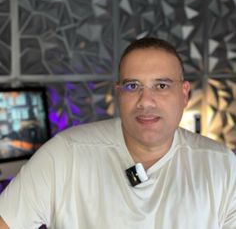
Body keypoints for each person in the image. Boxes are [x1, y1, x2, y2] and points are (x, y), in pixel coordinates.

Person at [0, 37, 236, 229]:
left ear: (184, 94)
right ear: (117, 94)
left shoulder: (222, 166)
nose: (146, 101)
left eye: (161, 86)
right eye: (133, 86)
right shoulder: (64, 155)